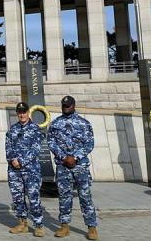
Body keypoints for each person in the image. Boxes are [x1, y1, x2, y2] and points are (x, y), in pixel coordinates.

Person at [48, 96, 98, 240]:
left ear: (74, 105)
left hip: (80, 166)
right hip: (63, 166)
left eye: (68, 105)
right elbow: (51, 142)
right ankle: (64, 226)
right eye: (64, 106)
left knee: (85, 197)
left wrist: (74, 157)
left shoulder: (84, 123)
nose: (66, 108)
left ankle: (92, 227)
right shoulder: (56, 123)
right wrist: (64, 157)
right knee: (64, 197)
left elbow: (89, 144)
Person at [6, 102, 45, 237]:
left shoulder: (35, 129)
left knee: (33, 197)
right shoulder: (12, 129)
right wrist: (13, 160)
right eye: (19, 112)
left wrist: (21, 161)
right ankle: (22, 223)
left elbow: (36, 149)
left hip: (31, 170)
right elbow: (8, 147)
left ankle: (38, 225)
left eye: (24, 112)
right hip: (14, 170)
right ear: (17, 113)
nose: (22, 114)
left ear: (28, 113)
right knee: (17, 198)